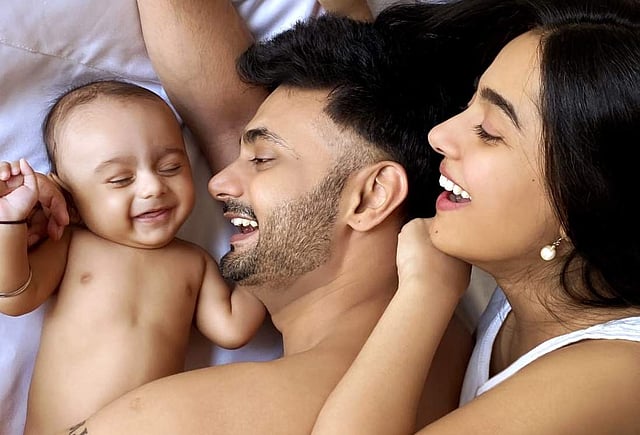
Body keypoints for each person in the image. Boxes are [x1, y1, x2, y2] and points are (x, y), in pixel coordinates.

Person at [49, 1, 540, 433]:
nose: (217, 183)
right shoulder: (463, 342)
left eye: (262, 159)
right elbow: (225, 118)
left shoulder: (169, 420)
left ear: (372, 197)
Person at [310, 0, 640, 433]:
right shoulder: (536, 285)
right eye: (469, 103)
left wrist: (425, 291)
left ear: (580, 204)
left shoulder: (609, 378)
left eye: (489, 132)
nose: (439, 135)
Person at [0, 80, 268, 434]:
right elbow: (14, 295)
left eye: (171, 167)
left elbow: (233, 328)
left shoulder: (194, 263)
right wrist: (10, 222)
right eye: (120, 179)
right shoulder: (72, 245)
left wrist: (265, 245)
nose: (153, 187)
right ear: (68, 198)